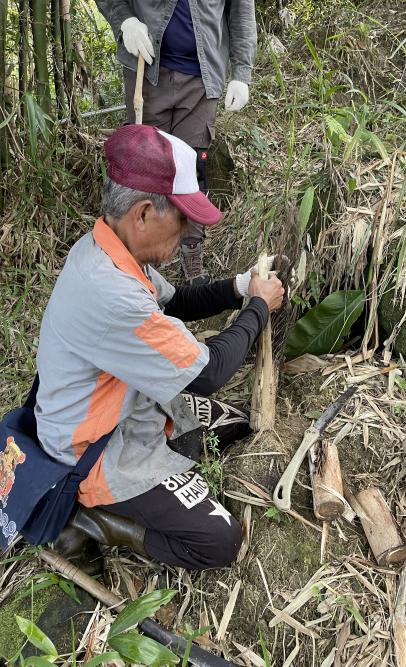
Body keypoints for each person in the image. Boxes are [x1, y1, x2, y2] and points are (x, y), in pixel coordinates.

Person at [35, 124, 283, 570]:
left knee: (235, 426)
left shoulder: (111, 251)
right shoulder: (110, 293)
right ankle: (97, 520)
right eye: (183, 218)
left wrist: (241, 287)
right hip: (92, 449)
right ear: (145, 214)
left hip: (125, 409)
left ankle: (153, 470)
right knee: (220, 542)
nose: (189, 232)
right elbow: (207, 374)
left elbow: (178, 301)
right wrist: (259, 308)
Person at [94, 0, 257, 283]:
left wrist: (242, 73)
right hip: (145, 69)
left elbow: (241, 10)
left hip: (202, 78)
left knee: (193, 170)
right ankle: (129, 257)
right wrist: (126, 22)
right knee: (141, 173)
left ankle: (191, 252)